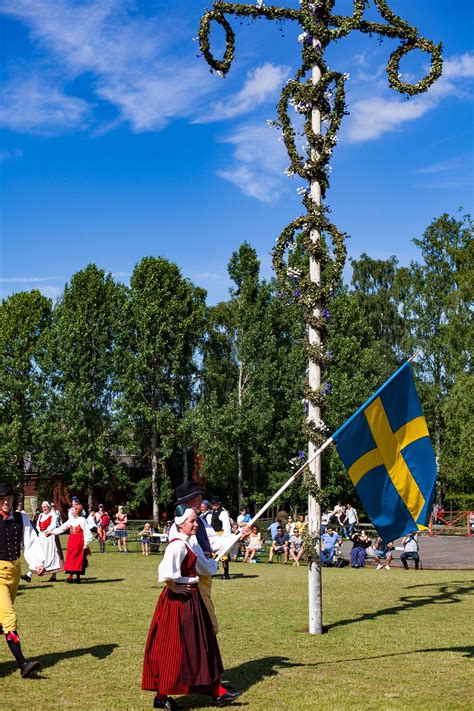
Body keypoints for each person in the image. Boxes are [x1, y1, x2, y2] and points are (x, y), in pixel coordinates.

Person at [142, 507, 241, 709]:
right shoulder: (177, 545)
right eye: (192, 522)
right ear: (180, 524)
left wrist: (238, 535)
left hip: (191, 600)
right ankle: (162, 696)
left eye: (196, 521)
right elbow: (165, 573)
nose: (196, 525)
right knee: (177, 649)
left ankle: (215, 691)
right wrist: (175, 586)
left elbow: (207, 560)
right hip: (179, 603)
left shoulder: (188, 542)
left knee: (202, 644)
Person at [0, 482, 45, 677]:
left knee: (1, 621)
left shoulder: (21, 517)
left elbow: (30, 541)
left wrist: (37, 563)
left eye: (8, 499)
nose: (5, 502)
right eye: (2, 500)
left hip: (15, 573)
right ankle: (23, 664)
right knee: (9, 618)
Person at [47, 500, 92, 582]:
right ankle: (70, 576)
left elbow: (87, 532)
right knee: (70, 557)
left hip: (79, 541)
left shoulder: (82, 520)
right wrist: (52, 532)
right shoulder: (71, 520)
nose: (72, 511)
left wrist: (86, 543)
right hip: (72, 540)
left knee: (78, 558)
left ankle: (78, 577)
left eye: (73, 510)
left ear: (77, 511)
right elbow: (62, 527)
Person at [21, 501, 63, 583]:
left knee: (52, 555)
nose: (44, 508)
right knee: (38, 555)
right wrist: (41, 531)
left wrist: (47, 531)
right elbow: (37, 526)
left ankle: (53, 576)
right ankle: (29, 575)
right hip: (41, 537)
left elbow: (53, 525)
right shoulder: (41, 515)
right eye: (43, 507)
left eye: (46, 506)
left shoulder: (53, 515)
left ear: (49, 507)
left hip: (50, 537)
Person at [205, 496, 232, 580]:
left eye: (213, 503)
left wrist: (225, 538)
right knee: (212, 554)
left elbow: (227, 527)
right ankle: (212, 572)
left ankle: (226, 573)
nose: (211, 505)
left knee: (223, 555)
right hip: (214, 534)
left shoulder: (223, 512)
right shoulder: (213, 511)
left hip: (221, 534)